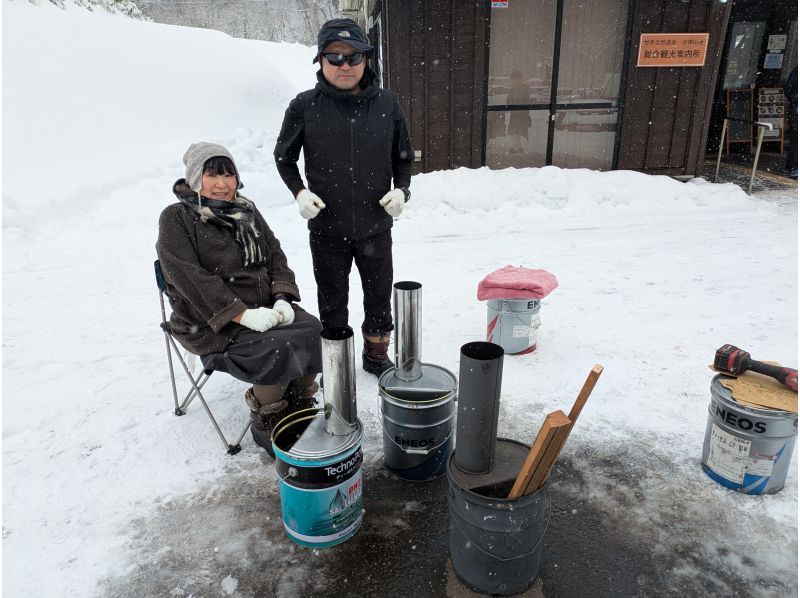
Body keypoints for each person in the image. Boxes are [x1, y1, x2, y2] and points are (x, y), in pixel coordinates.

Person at [157, 142, 323, 456]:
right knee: (273, 345)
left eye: (228, 174)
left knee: (313, 330)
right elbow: (189, 277)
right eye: (212, 175)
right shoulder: (176, 218)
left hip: (264, 307)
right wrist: (240, 314)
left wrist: (282, 297)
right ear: (195, 178)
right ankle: (269, 416)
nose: (222, 184)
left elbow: (274, 254)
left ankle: (299, 403)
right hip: (208, 320)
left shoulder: (247, 209)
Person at [273, 18, 414, 377]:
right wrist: (300, 192)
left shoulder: (387, 103)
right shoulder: (305, 106)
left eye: (353, 57)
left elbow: (403, 157)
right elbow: (284, 158)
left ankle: (376, 354)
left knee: (379, 297)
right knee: (332, 300)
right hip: (327, 229)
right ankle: (335, 363)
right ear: (321, 60)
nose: (345, 65)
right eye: (335, 57)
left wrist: (401, 189)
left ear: (366, 60)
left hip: (375, 226)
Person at [784, 66, 797, 179]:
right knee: (795, 139)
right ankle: (794, 166)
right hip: (796, 111)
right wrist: (796, 99)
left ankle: (791, 165)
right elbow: (788, 89)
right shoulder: (797, 70)